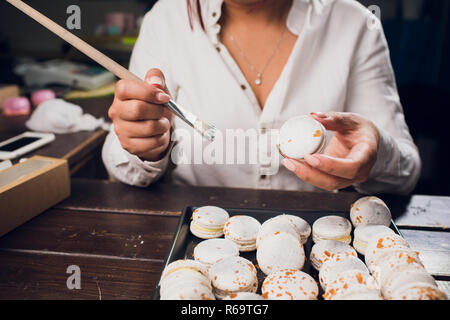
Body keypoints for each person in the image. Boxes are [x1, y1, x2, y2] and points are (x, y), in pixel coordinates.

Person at [102, 0, 421, 194]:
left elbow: (406, 174)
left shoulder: (355, 24)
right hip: (189, 237)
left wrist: (375, 154)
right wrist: (145, 147)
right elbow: (121, 164)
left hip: (321, 241)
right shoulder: (165, 19)